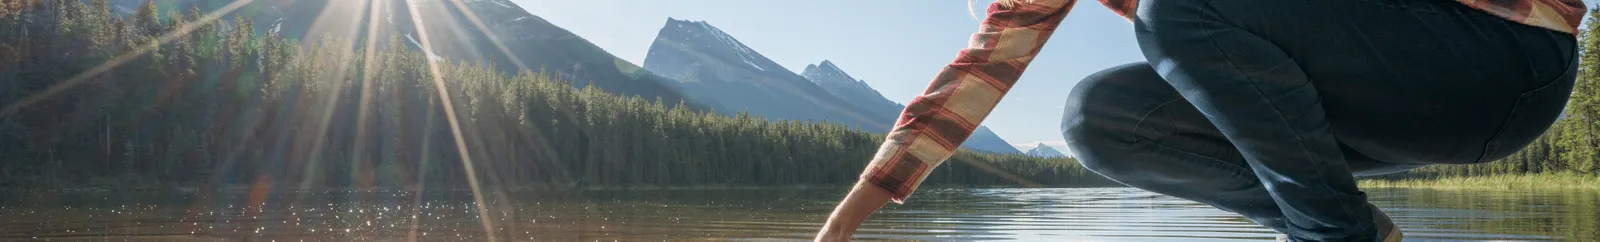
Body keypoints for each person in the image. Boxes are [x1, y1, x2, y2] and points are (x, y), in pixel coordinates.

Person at [815, 0, 1588, 241]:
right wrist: (840, 229)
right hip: (1399, 110)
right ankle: (1346, 227)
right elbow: (970, 82)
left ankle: (1332, 235)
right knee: (1100, 117)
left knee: (1174, 9)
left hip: (1496, 59)